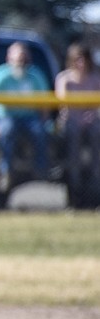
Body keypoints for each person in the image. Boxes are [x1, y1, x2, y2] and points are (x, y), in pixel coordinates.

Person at [0, 41, 51, 191]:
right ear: (9, 58)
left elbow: (45, 102)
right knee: (7, 129)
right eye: (18, 58)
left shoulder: (35, 75)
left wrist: (44, 120)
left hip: (30, 117)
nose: (20, 61)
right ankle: (6, 171)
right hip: (7, 117)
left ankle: (40, 169)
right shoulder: (1, 75)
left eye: (23, 58)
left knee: (40, 131)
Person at [54, 42, 100, 201]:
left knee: (96, 131)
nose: (81, 63)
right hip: (71, 120)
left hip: (90, 120)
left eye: (84, 59)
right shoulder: (64, 78)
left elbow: (96, 106)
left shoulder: (95, 79)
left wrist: (91, 116)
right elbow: (63, 105)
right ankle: (74, 181)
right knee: (72, 132)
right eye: (77, 59)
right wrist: (78, 118)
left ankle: (96, 178)